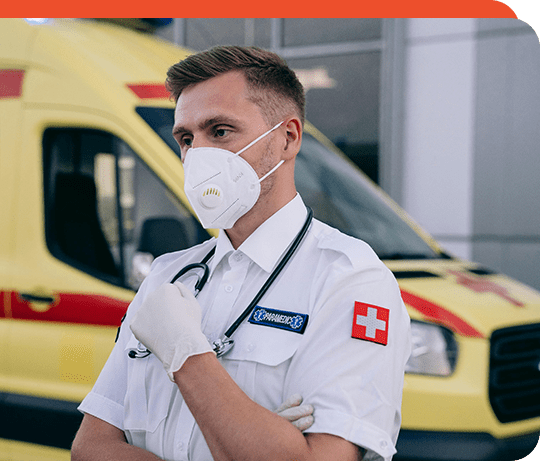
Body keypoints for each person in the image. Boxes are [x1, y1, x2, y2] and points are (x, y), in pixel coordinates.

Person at [71, 45, 411, 461]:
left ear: (287, 139)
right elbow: (90, 449)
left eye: (220, 131)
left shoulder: (348, 280)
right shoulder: (169, 276)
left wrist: (186, 355)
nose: (198, 155)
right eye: (185, 138)